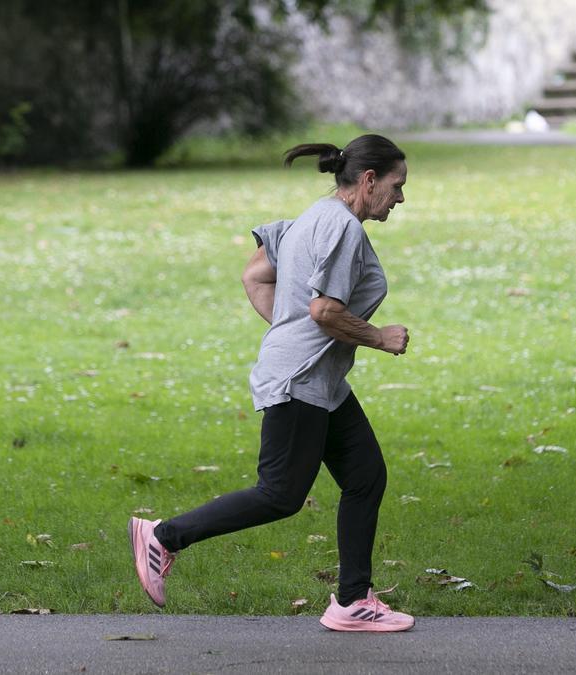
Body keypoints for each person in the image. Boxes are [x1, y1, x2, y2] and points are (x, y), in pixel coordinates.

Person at [129, 134, 413, 632]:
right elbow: (324, 310)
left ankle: (352, 602)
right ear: (369, 181)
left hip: (319, 380)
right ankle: (163, 536)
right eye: (397, 186)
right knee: (280, 494)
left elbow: (255, 276)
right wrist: (377, 337)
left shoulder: (311, 217)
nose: (401, 198)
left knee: (366, 475)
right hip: (300, 380)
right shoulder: (343, 229)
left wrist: (287, 333)